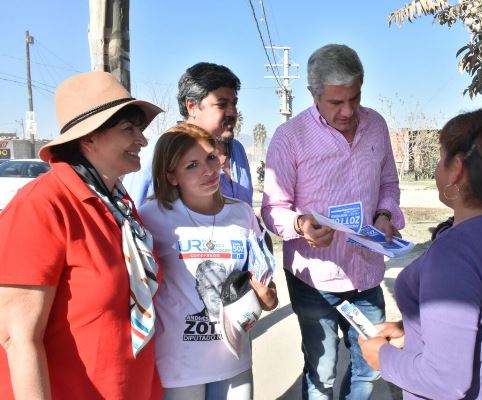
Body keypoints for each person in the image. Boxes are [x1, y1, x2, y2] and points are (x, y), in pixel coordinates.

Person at [358, 107, 482, 399]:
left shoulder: (454, 255)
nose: (437, 168)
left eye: (440, 157)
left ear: (456, 169)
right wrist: (412, 330)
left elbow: (445, 381)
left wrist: (381, 357)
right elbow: (479, 323)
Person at [0, 71, 163, 399]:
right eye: (128, 130)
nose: (142, 141)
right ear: (89, 138)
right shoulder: (42, 205)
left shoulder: (118, 203)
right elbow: (17, 338)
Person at [261, 44, 404, 400]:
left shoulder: (376, 125)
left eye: (355, 98)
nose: (348, 111)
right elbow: (272, 209)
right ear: (313, 94)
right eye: (336, 102)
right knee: (321, 371)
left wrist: (384, 214)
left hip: (365, 273)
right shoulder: (290, 137)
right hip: (314, 279)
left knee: (369, 367)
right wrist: (300, 225)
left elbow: (389, 182)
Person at [138, 123, 277, 400]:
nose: (209, 170)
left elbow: (263, 281)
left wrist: (268, 298)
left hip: (234, 360)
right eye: (192, 165)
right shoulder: (151, 216)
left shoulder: (242, 214)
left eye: (211, 157)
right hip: (178, 366)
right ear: (171, 175)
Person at [123, 62, 252, 207]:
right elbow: (131, 210)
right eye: (221, 105)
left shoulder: (237, 150)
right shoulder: (160, 150)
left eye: (234, 103)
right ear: (192, 107)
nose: (233, 113)